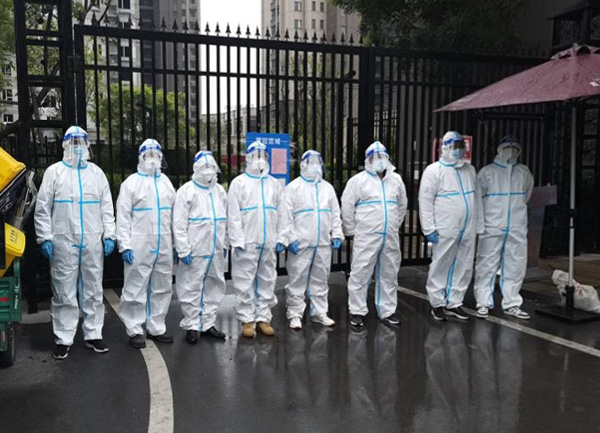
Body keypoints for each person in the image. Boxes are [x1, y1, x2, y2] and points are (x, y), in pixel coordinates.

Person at [35, 126, 116, 359]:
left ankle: (93, 334)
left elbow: (107, 207)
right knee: (63, 290)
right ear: (64, 145)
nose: (77, 147)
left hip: (92, 241)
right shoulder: (54, 172)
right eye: (73, 143)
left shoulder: (96, 174)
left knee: (93, 289)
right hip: (64, 241)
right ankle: (63, 338)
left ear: (87, 145)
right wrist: (45, 237)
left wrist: (109, 235)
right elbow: (42, 208)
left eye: (81, 143)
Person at [116, 139, 176, 349]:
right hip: (139, 243)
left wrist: (176, 243)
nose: (152, 159)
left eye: (156, 155)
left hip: (164, 243)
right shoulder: (131, 183)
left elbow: (175, 215)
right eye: (148, 155)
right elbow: (123, 216)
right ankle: (134, 329)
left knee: (162, 286)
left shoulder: (165, 182)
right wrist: (124, 244)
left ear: (161, 157)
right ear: (141, 158)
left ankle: (156, 327)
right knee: (135, 287)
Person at [418, 131, 483, 322]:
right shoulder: (434, 171)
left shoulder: (469, 170)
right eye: (454, 146)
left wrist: (479, 224)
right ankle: (437, 303)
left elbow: (477, 198)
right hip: (446, 226)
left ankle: (455, 302)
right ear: (444, 147)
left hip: (468, 226)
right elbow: (425, 201)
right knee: (441, 263)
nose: (458, 150)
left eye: (460, 146)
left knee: (464, 264)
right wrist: (429, 228)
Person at [341, 141, 408, 328]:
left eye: (382, 157)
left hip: (390, 235)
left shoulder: (396, 180)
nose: (379, 160)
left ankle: (388, 311)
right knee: (360, 272)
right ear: (368, 160)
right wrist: (351, 230)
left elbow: (402, 204)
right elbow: (347, 206)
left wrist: (394, 225)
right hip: (367, 235)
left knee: (389, 273)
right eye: (375, 157)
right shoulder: (358, 181)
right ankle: (357, 311)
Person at [277, 150, 344, 330]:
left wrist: (337, 234)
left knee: (321, 279)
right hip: (301, 243)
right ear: (303, 165)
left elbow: (335, 213)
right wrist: (290, 238)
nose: (315, 166)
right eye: (310, 162)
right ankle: (295, 314)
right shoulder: (293, 188)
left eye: (317, 162)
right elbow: (285, 216)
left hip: (322, 243)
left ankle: (319, 312)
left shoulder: (327, 188)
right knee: (297, 279)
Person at [473, 135, 534, 320]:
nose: (511, 152)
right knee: (486, 264)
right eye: (507, 148)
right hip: (492, 226)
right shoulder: (487, 172)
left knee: (515, 264)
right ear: (499, 150)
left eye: (514, 149)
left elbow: (526, 195)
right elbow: (478, 199)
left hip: (516, 225)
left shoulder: (523, 172)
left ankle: (512, 303)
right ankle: (483, 302)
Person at [228, 141, 283, 338]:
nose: (259, 159)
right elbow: (233, 215)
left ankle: (263, 318)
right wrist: (237, 240)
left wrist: (281, 237)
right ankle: (247, 319)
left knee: (267, 279)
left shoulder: (273, 183)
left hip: (268, 240)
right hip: (247, 241)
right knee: (244, 281)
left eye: (262, 155)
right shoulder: (239, 183)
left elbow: (282, 212)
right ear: (248, 158)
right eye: (255, 155)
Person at [173, 150, 229, 343]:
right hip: (195, 248)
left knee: (214, 285)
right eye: (204, 167)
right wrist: (183, 248)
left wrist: (226, 242)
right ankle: (192, 325)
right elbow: (179, 223)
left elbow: (225, 219)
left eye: (211, 166)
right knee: (191, 285)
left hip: (216, 248)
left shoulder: (219, 191)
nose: (208, 170)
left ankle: (208, 323)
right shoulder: (187, 191)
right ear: (196, 168)